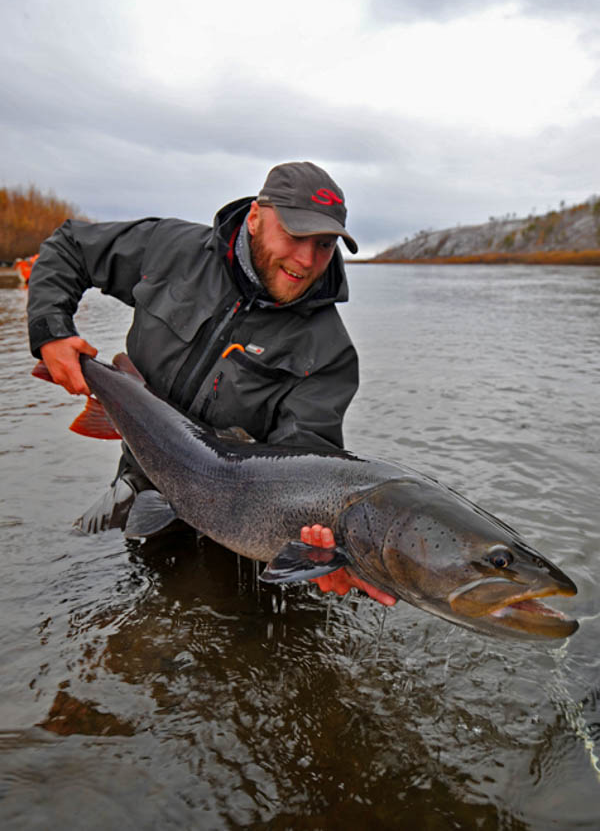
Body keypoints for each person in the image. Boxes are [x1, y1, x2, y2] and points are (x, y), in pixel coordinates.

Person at [27, 160, 395, 606]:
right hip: (143, 480)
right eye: (295, 236)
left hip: (239, 525)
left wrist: (324, 553)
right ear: (256, 218)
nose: (307, 260)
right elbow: (69, 247)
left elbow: (305, 465)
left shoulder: (329, 352)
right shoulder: (171, 250)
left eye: (323, 244)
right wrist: (51, 331)